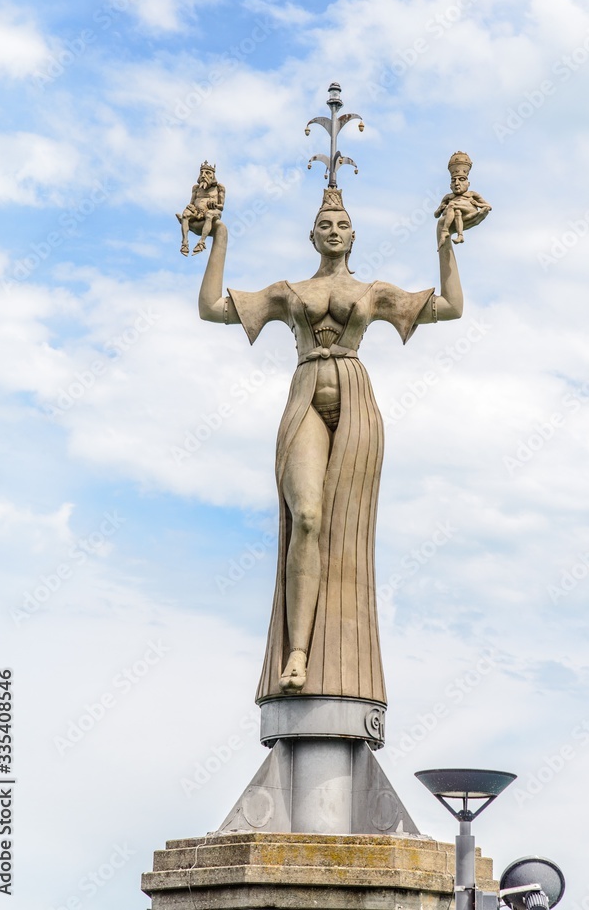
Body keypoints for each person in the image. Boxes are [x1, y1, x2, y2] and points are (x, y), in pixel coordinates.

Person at [198, 187, 464, 706]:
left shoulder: (375, 291)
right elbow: (211, 308)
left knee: (346, 531)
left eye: (341, 224)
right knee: (310, 518)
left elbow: (452, 307)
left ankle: (338, 651)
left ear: (353, 235)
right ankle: (297, 652)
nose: (334, 231)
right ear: (312, 235)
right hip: (305, 395)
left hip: (355, 399)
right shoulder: (286, 291)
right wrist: (219, 239)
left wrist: (445, 242)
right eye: (325, 224)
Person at [434, 151, 491, 246]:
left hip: (469, 213)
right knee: (457, 211)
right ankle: (460, 236)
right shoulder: (448, 197)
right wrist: (440, 209)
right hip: (456, 216)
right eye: (453, 181)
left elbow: (488, 206)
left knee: (452, 205)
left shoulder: (471, 194)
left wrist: (477, 204)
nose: (457, 183)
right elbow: (436, 215)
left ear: (468, 184)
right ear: (450, 186)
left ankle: (445, 231)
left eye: (461, 179)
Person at [177, 162, 226, 256]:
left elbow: (221, 206)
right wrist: (190, 207)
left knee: (209, 215)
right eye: (202, 172)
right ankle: (184, 243)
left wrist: (215, 205)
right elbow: (191, 203)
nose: (204, 175)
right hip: (197, 211)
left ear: (212, 175)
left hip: (212, 211)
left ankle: (201, 242)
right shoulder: (196, 188)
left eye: (207, 173)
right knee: (185, 213)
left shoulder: (219, 187)